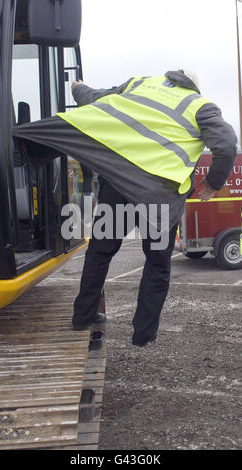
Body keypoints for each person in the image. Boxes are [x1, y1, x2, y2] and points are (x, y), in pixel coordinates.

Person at [64, 70, 237, 347]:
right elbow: (226, 144)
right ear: (193, 86)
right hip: (159, 198)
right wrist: (214, 183)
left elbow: (95, 99)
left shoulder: (140, 84)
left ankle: (82, 316)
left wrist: (77, 87)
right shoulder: (198, 105)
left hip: (118, 186)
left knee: (100, 252)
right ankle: (143, 334)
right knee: (156, 265)